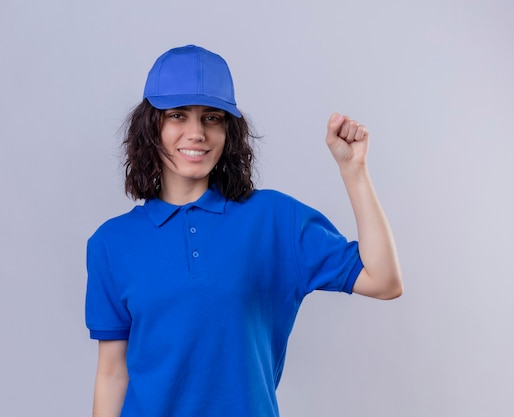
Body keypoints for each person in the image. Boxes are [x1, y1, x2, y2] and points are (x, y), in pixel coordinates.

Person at [85, 44, 402, 417]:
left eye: (212, 118)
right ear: (151, 126)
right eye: (177, 115)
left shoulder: (273, 219)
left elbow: (383, 280)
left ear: (229, 130)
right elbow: (112, 374)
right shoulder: (111, 243)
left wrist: (355, 171)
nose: (196, 132)